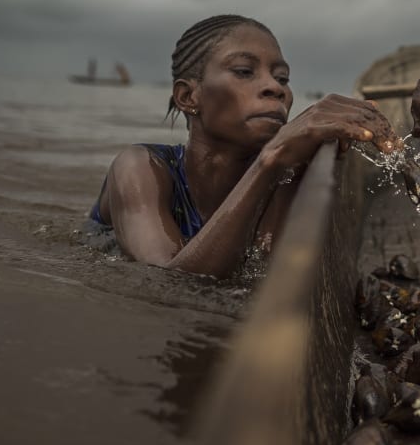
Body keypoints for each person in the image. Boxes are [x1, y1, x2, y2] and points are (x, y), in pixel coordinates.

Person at [87, 15, 397, 278]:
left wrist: (293, 165)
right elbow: (166, 285)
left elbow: (258, 274)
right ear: (187, 97)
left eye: (282, 77)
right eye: (244, 71)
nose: (275, 87)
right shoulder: (140, 168)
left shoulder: (280, 170)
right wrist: (272, 157)